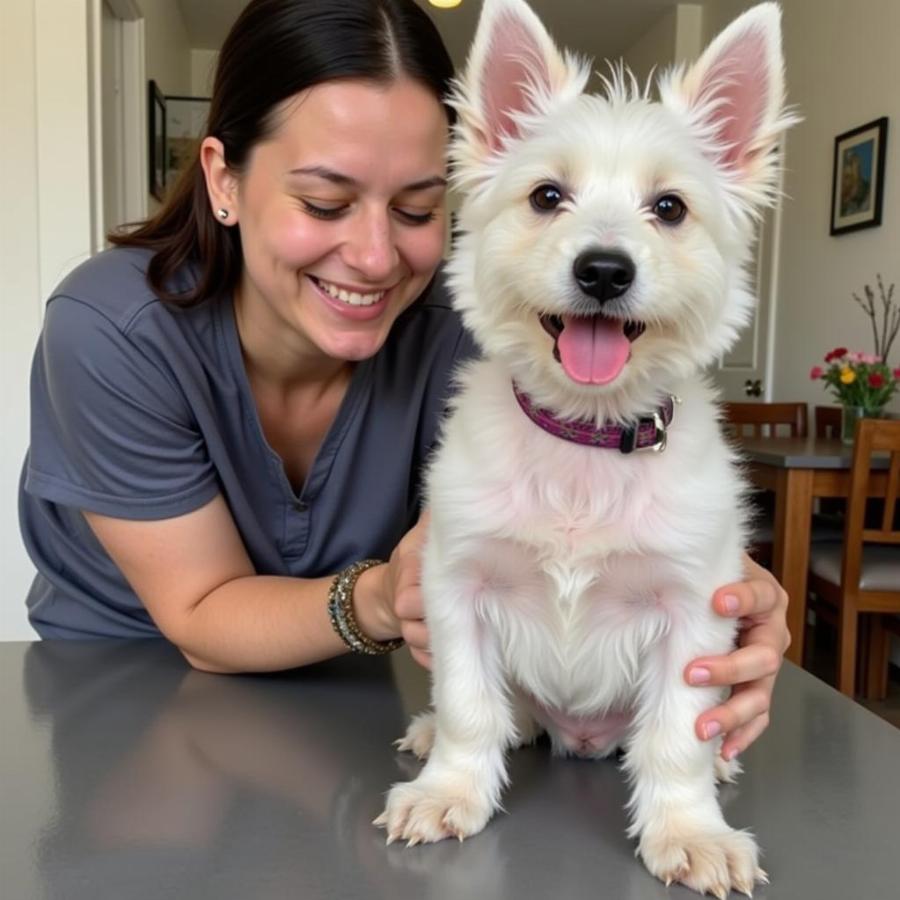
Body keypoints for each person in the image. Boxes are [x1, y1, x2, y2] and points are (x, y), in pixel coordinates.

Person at [19, 0, 788, 762]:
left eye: (418, 208)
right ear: (223, 179)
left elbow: (618, 515)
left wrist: (738, 599)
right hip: (125, 692)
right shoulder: (112, 328)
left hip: (351, 702)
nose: (377, 257)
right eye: (325, 202)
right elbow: (197, 615)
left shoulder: (476, 336)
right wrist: (381, 598)